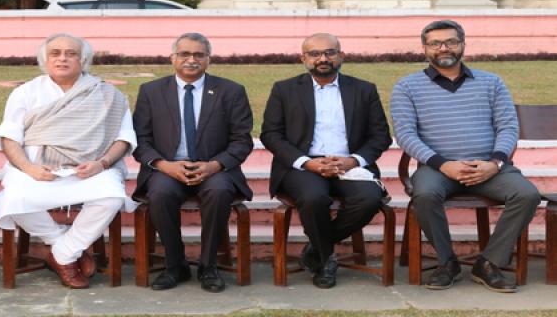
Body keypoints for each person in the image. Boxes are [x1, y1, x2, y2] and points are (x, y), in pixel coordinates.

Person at [391, 19, 540, 293]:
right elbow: (405, 134)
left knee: (527, 195)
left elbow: (508, 126)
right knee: (425, 195)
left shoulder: (491, 82)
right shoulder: (407, 87)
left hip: (488, 166)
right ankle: (447, 263)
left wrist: (494, 163)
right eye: (435, 43)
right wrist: (443, 165)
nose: (443, 48)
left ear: (462, 45)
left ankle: (488, 263)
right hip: (437, 168)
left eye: (451, 42)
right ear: (425, 48)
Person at [0, 33, 136, 289]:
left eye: (71, 54)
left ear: (83, 60)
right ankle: (65, 247)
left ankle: (61, 255)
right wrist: (29, 168)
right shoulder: (26, 92)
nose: (62, 59)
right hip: (37, 169)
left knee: (112, 197)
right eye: (55, 53)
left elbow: (123, 138)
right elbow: (9, 137)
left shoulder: (108, 94)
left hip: (90, 169)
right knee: (14, 199)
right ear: (45, 60)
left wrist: (102, 164)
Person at [260, 33, 391, 288]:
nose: (323, 58)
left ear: (341, 56)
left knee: (369, 199)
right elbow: (271, 134)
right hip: (303, 166)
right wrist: (307, 162)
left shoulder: (364, 89)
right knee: (313, 198)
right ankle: (326, 259)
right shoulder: (284, 89)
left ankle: (318, 248)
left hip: (349, 165)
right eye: (315, 53)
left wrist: (353, 161)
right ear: (303, 58)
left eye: (330, 52)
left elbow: (380, 136)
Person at [132, 33, 254, 293]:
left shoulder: (231, 91)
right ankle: (175, 265)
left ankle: (209, 266)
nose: (191, 60)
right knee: (160, 193)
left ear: (208, 59)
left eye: (199, 54)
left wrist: (214, 165)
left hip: (214, 168)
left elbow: (242, 140)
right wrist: (163, 165)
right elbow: (141, 140)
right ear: (172, 58)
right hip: (167, 168)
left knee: (219, 191)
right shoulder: (151, 91)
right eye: (184, 54)